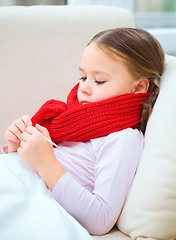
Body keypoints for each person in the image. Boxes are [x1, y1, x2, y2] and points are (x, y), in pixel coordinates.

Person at [3, 28, 164, 235]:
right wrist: (17, 146)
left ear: (139, 87)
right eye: (82, 77)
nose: (84, 88)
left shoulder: (123, 138)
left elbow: (101, 219)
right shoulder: (73, 121)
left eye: (99, 81)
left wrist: (46, 162)